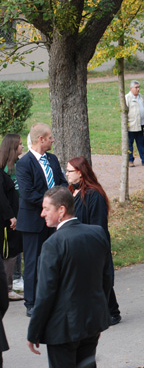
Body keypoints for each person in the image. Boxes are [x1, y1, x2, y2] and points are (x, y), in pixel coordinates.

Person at [27, 187, 112, 367]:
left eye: (46, 209)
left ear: (61, 210)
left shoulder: (53, 244)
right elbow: (106, 279)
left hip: (62, 329)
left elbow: (45, 293)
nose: (42, 214)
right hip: (90, 322)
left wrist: (33, 331)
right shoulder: (97, 233)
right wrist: (99, 315)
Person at [16, 123, 68, 317]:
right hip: (33, 221)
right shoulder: (24, 163)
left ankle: (51, 297)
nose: (53, 140)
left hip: (54, 221)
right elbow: (28, 193)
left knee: (53, 260)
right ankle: (31, 302)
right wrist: (52, 204)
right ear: (41, 139)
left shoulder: (52, 159)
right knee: (32, 261)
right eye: (50, 137)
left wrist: (58, 205)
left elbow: (62, 182)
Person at [65, 156, 122, 326]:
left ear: (80, 173)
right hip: (74, 242)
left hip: (91, 243)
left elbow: (98, 226)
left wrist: (92, 246)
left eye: (69, 171)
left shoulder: (93, 195)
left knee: (98, 278)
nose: (66, 174)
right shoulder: (69, 191)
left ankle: (112, 312)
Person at [0, 134, 24, 301]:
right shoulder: (4, 171)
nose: (23, 147)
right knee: (9, 252)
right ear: (12, 147)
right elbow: (2, 197)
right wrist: (10, 216)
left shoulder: (18, 166)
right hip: (9, 220)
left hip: (17, 215)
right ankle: (7, 288)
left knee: (15, 250)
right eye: (20, 144)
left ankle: (14, 280)